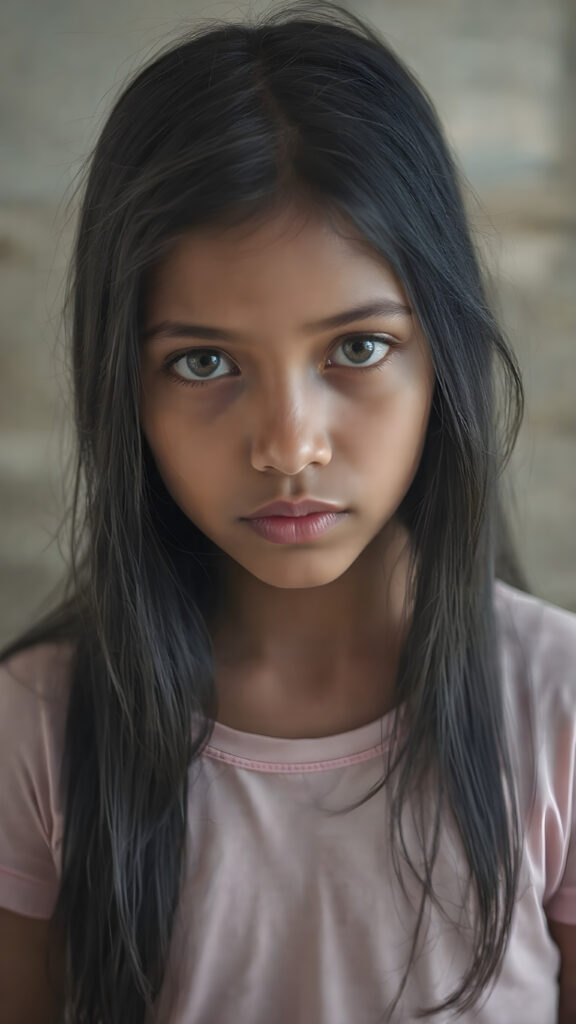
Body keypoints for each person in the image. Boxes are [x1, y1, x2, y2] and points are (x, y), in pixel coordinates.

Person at [0, 2, 574, 1021]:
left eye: (357, 348)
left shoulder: (558, 710)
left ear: (445, 356)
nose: (288, 445)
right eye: (203, 363)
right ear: (123, 386)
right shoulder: (38, 729)